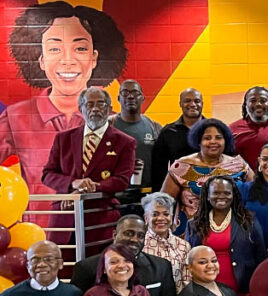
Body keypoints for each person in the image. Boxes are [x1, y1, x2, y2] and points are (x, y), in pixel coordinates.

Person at [0, 2, 126, 224]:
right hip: (40, 237)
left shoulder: (113, 122)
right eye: (55, 48)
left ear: (94, 58)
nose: (67, 60)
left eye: (80, 48)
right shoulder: (15, 117)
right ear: (41, 60)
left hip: (96, 232)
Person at [41, 86, 135, 248]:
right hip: (64, 218)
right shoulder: (63, 139)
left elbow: (122, 180)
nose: (95, 109)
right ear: (81, 109)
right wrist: (73, 184)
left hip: (100, 219)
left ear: (110, 108)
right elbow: (47, 175)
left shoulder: (125, 142)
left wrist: (87, 188)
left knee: (97, 269)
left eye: (101, 104)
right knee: (62, 268)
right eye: (89, 104)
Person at [161, 118, 254, 230]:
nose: (213, 141)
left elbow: (256, 194)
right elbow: (163, 203)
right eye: (207, 138)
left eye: (218, 138)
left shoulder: (239, 165)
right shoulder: (182, 167)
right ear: (198, 141)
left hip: (234, 230)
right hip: (191, 232)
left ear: (226, 140)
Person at [185, 177, 266, 295]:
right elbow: (190, 259)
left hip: (243, 290)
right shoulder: (194, 225)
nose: (221, 196)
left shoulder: (248, 221)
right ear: (207, 196)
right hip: (206, 292)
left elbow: (261, 255)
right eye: (216, 193)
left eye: (227, 193)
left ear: (233, 195)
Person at [112, 80, 162, 189]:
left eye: (135, 92)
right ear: (118, 98)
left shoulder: (154, 127)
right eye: (125, 92)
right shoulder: (108, 126)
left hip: (147, 194)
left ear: (142, 98)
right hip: (116, 194)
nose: (130, 96)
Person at [152, 89, 205, 189]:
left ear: (202, 103)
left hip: (208, 192)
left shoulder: (213, 130)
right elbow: (158, 169)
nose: (193, 104)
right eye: (187, 101)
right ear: (180, 104)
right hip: (177, 191)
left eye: (197, 101)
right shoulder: (168, 132)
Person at [229, 86, 268, 170]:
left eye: (263, 100)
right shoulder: (232, 129)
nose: (258, 104)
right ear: (245, 105)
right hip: (242, 182)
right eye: (253, 101)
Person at [142, 192, 191, 292]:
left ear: (172, 217)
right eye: (155, 214)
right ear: (146, 218)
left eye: (166, 214)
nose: (160, 218)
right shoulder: (140, 246)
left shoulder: (183, 245)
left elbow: (187, 282)